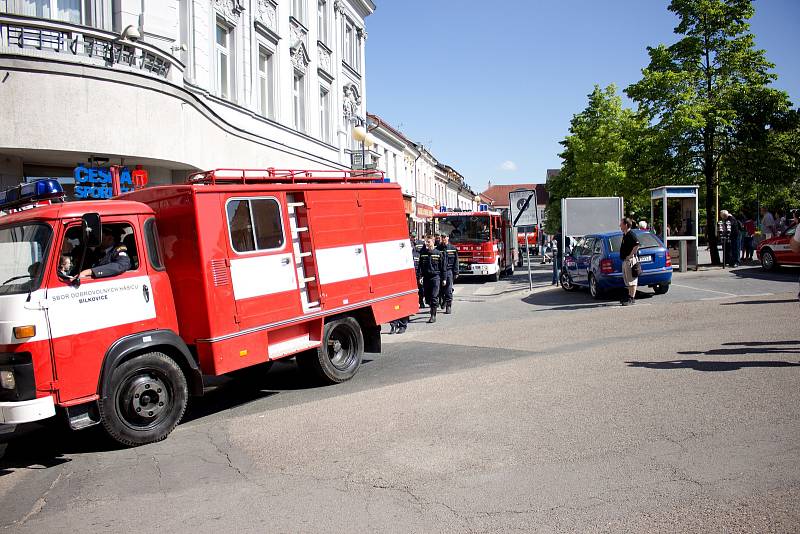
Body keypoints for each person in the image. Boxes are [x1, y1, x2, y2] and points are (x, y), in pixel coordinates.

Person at [418, 236, 446, 323]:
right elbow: (420, 267)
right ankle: (432, 307)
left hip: (435, 277)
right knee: (428, 298)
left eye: (429, 242)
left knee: (434, 297)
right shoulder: (423, 254)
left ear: (433, 242)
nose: (427, 244)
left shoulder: (438, 253)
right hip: (426, 278)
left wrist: (444, 279)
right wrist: (420, 277)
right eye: (426, 242)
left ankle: (433, 315)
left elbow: (443, 267)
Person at [619, 217, 640, 306]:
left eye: (621, 224)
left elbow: (637, 245)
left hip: (630, 260)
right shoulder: (625, 234)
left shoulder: (631, 234)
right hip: (625, 260)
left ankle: (632, 298)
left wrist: (630, 255)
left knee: (632, 280)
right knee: (627, 280)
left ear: (626, 225)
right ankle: (629, 296)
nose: (620, 225)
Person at [437, 234, 458, 314]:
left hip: (449, 271)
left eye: (445, 237)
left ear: (448, 238)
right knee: (441, 289)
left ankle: (448, 306)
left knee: (448, 289)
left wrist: (456, 272)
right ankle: (443, 300)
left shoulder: (452, 248)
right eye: (442, 237)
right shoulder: (438, 248)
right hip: (440, 272)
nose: (444, 239)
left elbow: (456, 261)